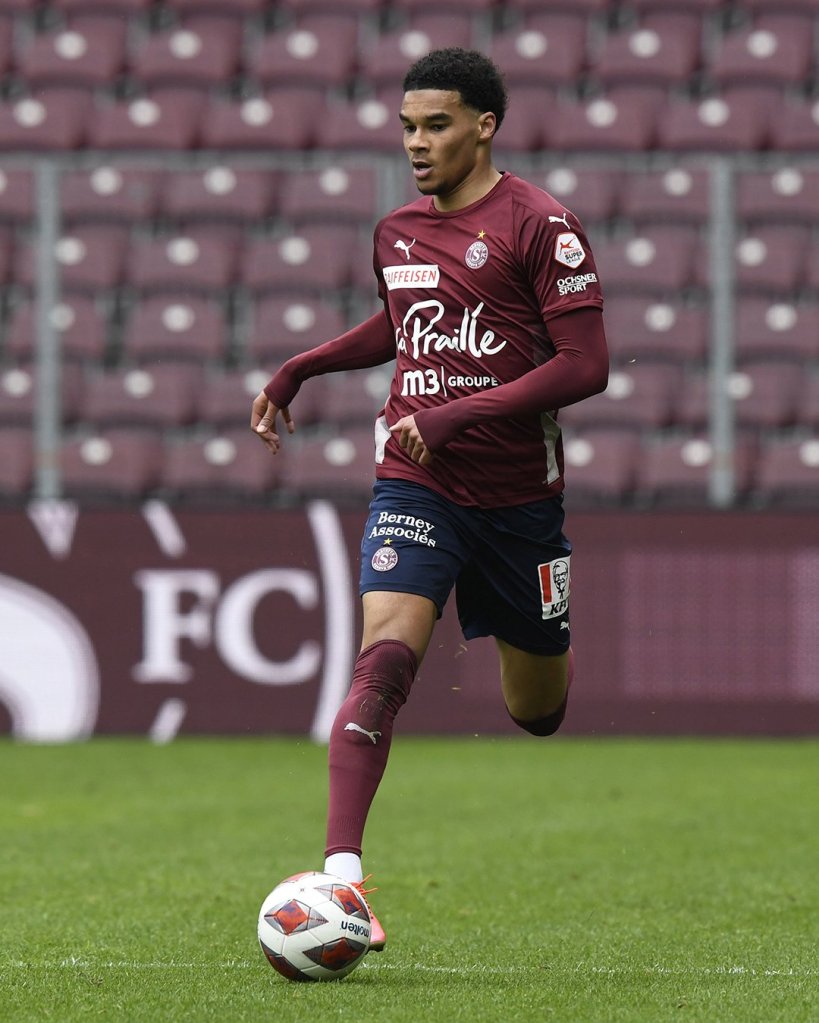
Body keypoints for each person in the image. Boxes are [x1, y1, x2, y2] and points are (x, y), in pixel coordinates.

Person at [251, 48, 609, 951]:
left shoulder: (542, 226)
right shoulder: (395, 231)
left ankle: (536, 637)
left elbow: (585, 365)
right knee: (383, 661)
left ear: (483, 127)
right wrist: (301, 367)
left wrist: (456, 415)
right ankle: (342, 876)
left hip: (520, 503)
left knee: (537, 711)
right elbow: (401, 321)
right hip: (417, 482)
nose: (416, 142)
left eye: (436, 125)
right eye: (408, 126)